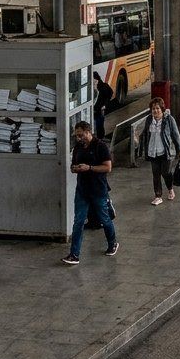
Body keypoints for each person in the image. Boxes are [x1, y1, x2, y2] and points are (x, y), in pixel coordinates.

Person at [62, 122, 117, 265]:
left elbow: (107, 167)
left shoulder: (100, 146)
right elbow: (72, 166)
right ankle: (74, 254)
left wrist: (89, 168)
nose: (79, 138)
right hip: (82, 190)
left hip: (98, 189)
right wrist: (75, 168)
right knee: (78, 221)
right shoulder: (78, 148)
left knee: (104, 219)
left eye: (81, 135)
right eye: (77, 135)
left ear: (88, 132)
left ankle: (112, 243)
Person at [138, 98, 180, 205]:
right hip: (153, 151)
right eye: (153, 109)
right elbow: (145, 133)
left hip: (166, 151)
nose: (155, 111)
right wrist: (138, 140)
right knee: (156, 174)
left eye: (157, 108)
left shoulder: (169, 119)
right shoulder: (149, 119)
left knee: (166, 172)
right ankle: (158, 196)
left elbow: (176, 135)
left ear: (162, 109)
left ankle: (170, 188)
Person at [93, 72, 114, 140]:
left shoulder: (103, 86)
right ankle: (99, 137)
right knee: (98, 124)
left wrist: (105, 104)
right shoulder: (97, 87)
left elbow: (110, 93)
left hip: (99, 109)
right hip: (97, 109)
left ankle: (100, 138)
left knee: (99, 124)